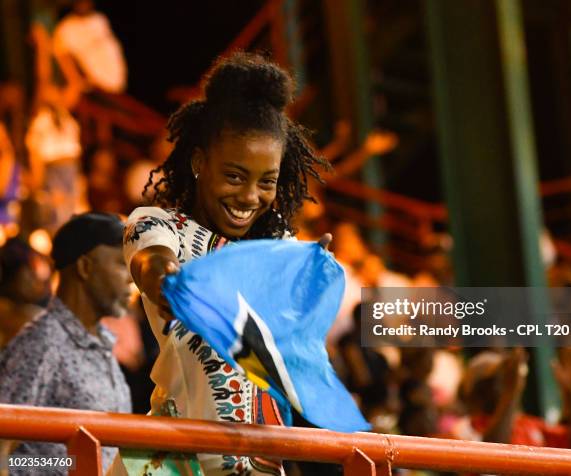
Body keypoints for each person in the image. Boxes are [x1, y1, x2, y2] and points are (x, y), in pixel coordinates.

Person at [112, 52, 330, 476]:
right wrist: (169, 285)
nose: (250, 196)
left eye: (266, 180)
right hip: (171, 463)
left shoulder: (281, 250)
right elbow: (151, 264)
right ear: (198, 163)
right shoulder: (159, 225)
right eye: (234, 176)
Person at [0, 212, 133, 474]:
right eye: (120, 264)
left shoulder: (101, 345)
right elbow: (4, 453)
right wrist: (67, 464)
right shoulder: (42, 343)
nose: (131, 278)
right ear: (85, 267)